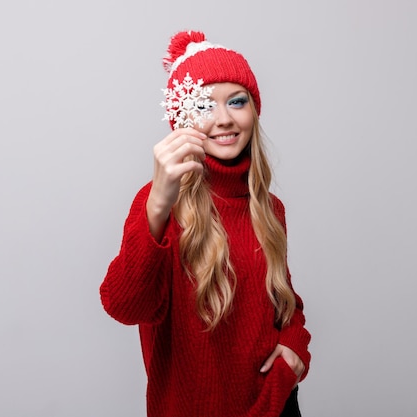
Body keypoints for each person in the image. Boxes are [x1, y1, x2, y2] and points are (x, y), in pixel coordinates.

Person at [100, 30, 311, 417]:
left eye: (237, 101)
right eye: (203, 104)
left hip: (274, 404)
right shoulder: (159, 205)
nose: (224, 119)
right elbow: (125, 306)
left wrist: (295, 344)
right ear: (181, 116)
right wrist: (160, 201)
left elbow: (282, 303)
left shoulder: (269, 207)